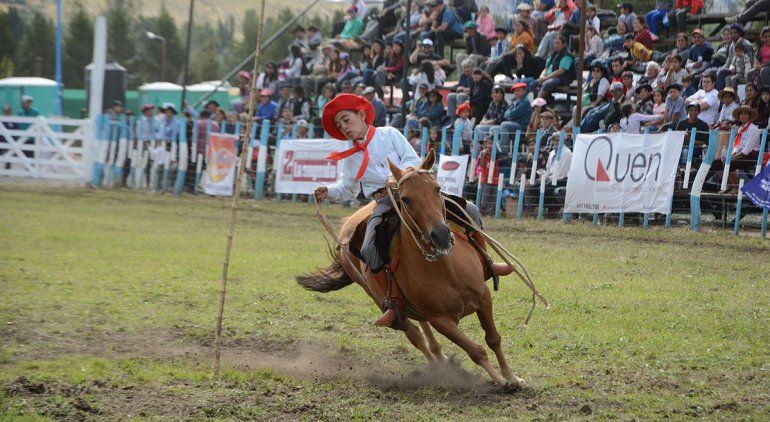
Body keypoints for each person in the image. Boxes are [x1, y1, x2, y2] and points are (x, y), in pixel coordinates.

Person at [312, 93, 512, 328]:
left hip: (414, 192)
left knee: (469, 210)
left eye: (346, 120)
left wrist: (397, 176)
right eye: (339, 125)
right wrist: (329, 191)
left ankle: (486, 262)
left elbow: (412, 158)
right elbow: (348, 188)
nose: (344, 127)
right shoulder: (349, 158)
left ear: (362, 115)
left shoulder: (389, 134)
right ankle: (394, 301)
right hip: (384, 202)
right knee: (369, 247)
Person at [709, 106, 762, 193]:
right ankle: (730, 185)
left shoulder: (753, 128)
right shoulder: (741, 128)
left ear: (749, 116)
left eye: (745, 114)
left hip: (751, 156)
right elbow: (737, 146)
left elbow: (747, 150)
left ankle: (737, 187)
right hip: (740, 154)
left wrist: (731, 157)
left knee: (730, 162)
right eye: (741, 114)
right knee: (716, 163)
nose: (743, 116)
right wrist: (730, 155)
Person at [536, 34, 575, 101]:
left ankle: (537, 102)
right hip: (549, 77)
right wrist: (541, 77)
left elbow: (561, 71)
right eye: (555, 43)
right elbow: (546, 68)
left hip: (562, 78)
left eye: (558, 43)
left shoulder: (567, 56)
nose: (556, 45)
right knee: (533, 83)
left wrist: (545, 78)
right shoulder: (553, 54)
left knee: (547, 83)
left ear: (564, 44)